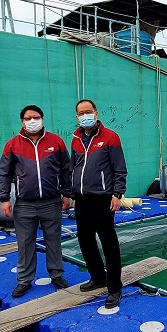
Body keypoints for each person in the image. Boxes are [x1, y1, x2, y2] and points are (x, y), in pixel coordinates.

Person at [0, 105, 72, 297]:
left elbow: (66, 169)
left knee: (54, 241)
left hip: (51, 202)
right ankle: (24, 280)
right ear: (22, 121)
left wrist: (67, 194)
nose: (33, 121)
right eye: (28, 118)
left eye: (36, 117)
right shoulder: (12, 144)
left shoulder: (56, 142)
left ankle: (57, 275)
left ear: (43, 118)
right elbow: (4, 174)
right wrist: (4, 198)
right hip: (24, 203)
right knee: (25, 243)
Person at [70, 99, 127, 308]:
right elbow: (73, 168)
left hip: (103, 197)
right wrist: (72, 194)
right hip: (82, 198)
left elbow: (119, 168)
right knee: (85, 239)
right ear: (77, 116)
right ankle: (97, 277)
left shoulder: (110, 137)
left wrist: (117, 194)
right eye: (80, 113)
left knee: (108, 242)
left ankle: (114, 288)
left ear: (95, 112)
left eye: (88, 111)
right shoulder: (76, 138)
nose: (85, 115)